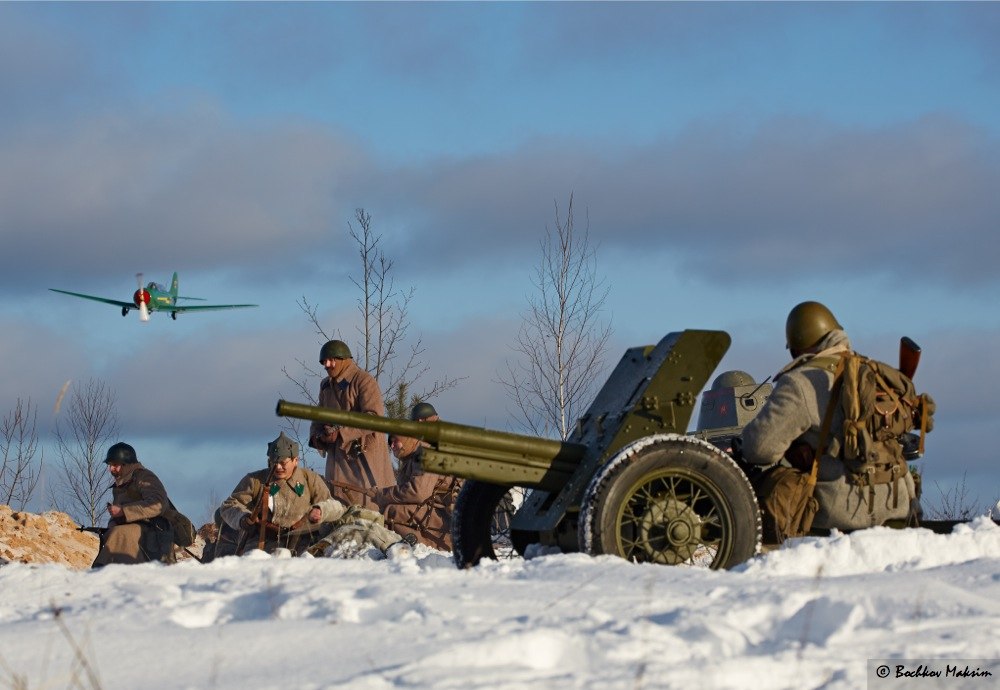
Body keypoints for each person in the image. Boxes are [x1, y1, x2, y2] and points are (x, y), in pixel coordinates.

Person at [740, 301, 919, 541]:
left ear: (795, 348)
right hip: (900, 507)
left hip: (840, 516)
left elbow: (759, 448)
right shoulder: (874, 372)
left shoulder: (800, 382)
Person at [218, 432, 348, 556]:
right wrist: (243, 518)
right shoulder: (255, 480)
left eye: (283, 463)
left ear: (295, 460)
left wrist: (321, 510)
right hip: (262, 544)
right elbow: (229, 505)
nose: (278, 467)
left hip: (303, 544)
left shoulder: (310, 479)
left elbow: (337, 507)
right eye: (274, 462)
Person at [308, 339, 394, 508]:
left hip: (362, 458)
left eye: (331, 360)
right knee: (336, 509)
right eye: (324, 362)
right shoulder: (325, 386)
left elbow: (374, 417)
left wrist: (341, 433)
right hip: (336, 460)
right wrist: (318, 436)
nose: (327, 365)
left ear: (343, 359)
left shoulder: (364, 381)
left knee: (366, 509)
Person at [373, 402, 462, 551]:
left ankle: (421, 547)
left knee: (393, 511)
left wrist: (382, 494)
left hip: (449, 518)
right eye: (390, 442)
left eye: (395, 441)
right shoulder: (414, 457)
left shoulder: (429, 451)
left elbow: (418, 492)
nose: (392, 446)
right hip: (438, 510)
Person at [92, 442, 178, 567]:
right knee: (115, 533)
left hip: (155, 532)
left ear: (126, 464)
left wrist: (123, 511)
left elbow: (158, 504)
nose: (110, 469)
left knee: (120, 534)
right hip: (134, 532)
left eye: (115, 465)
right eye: (110, 465)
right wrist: (113, 521)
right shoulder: (121, 484)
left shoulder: (144, 477)